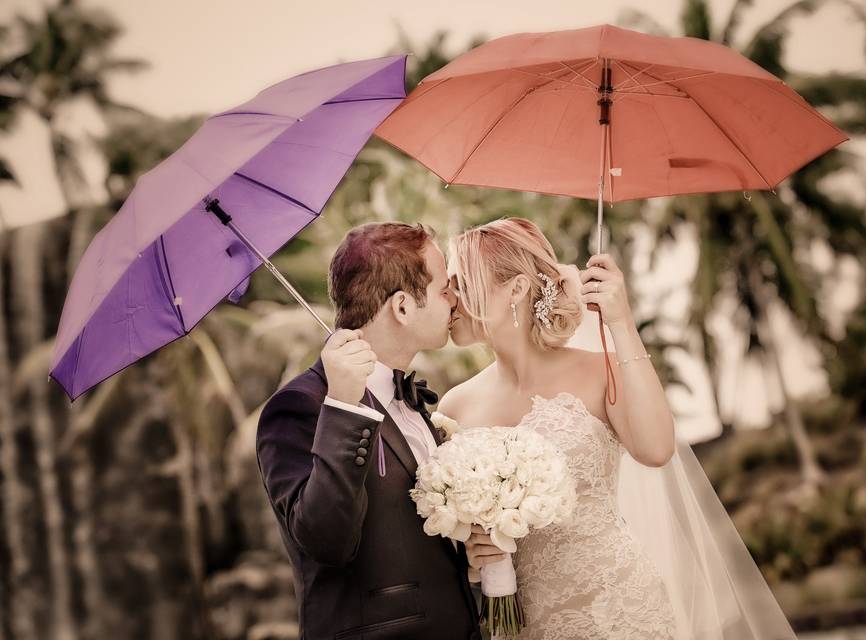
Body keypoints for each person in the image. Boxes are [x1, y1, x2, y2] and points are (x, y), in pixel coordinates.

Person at [442, 217, 798, 640]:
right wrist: (472, 553)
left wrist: (621, 322)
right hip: (522, 623)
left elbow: (655, 448)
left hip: (618, 609)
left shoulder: (596, 372)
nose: (448, 298)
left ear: (516, 290)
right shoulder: (455, 406)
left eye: (460, 284)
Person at [255, 222, 489, 640]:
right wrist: (343, 406)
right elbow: (327, 541)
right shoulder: (296, 408)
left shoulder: (413, 400)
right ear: (402, 307)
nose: (454, 298)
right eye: (442, 290)